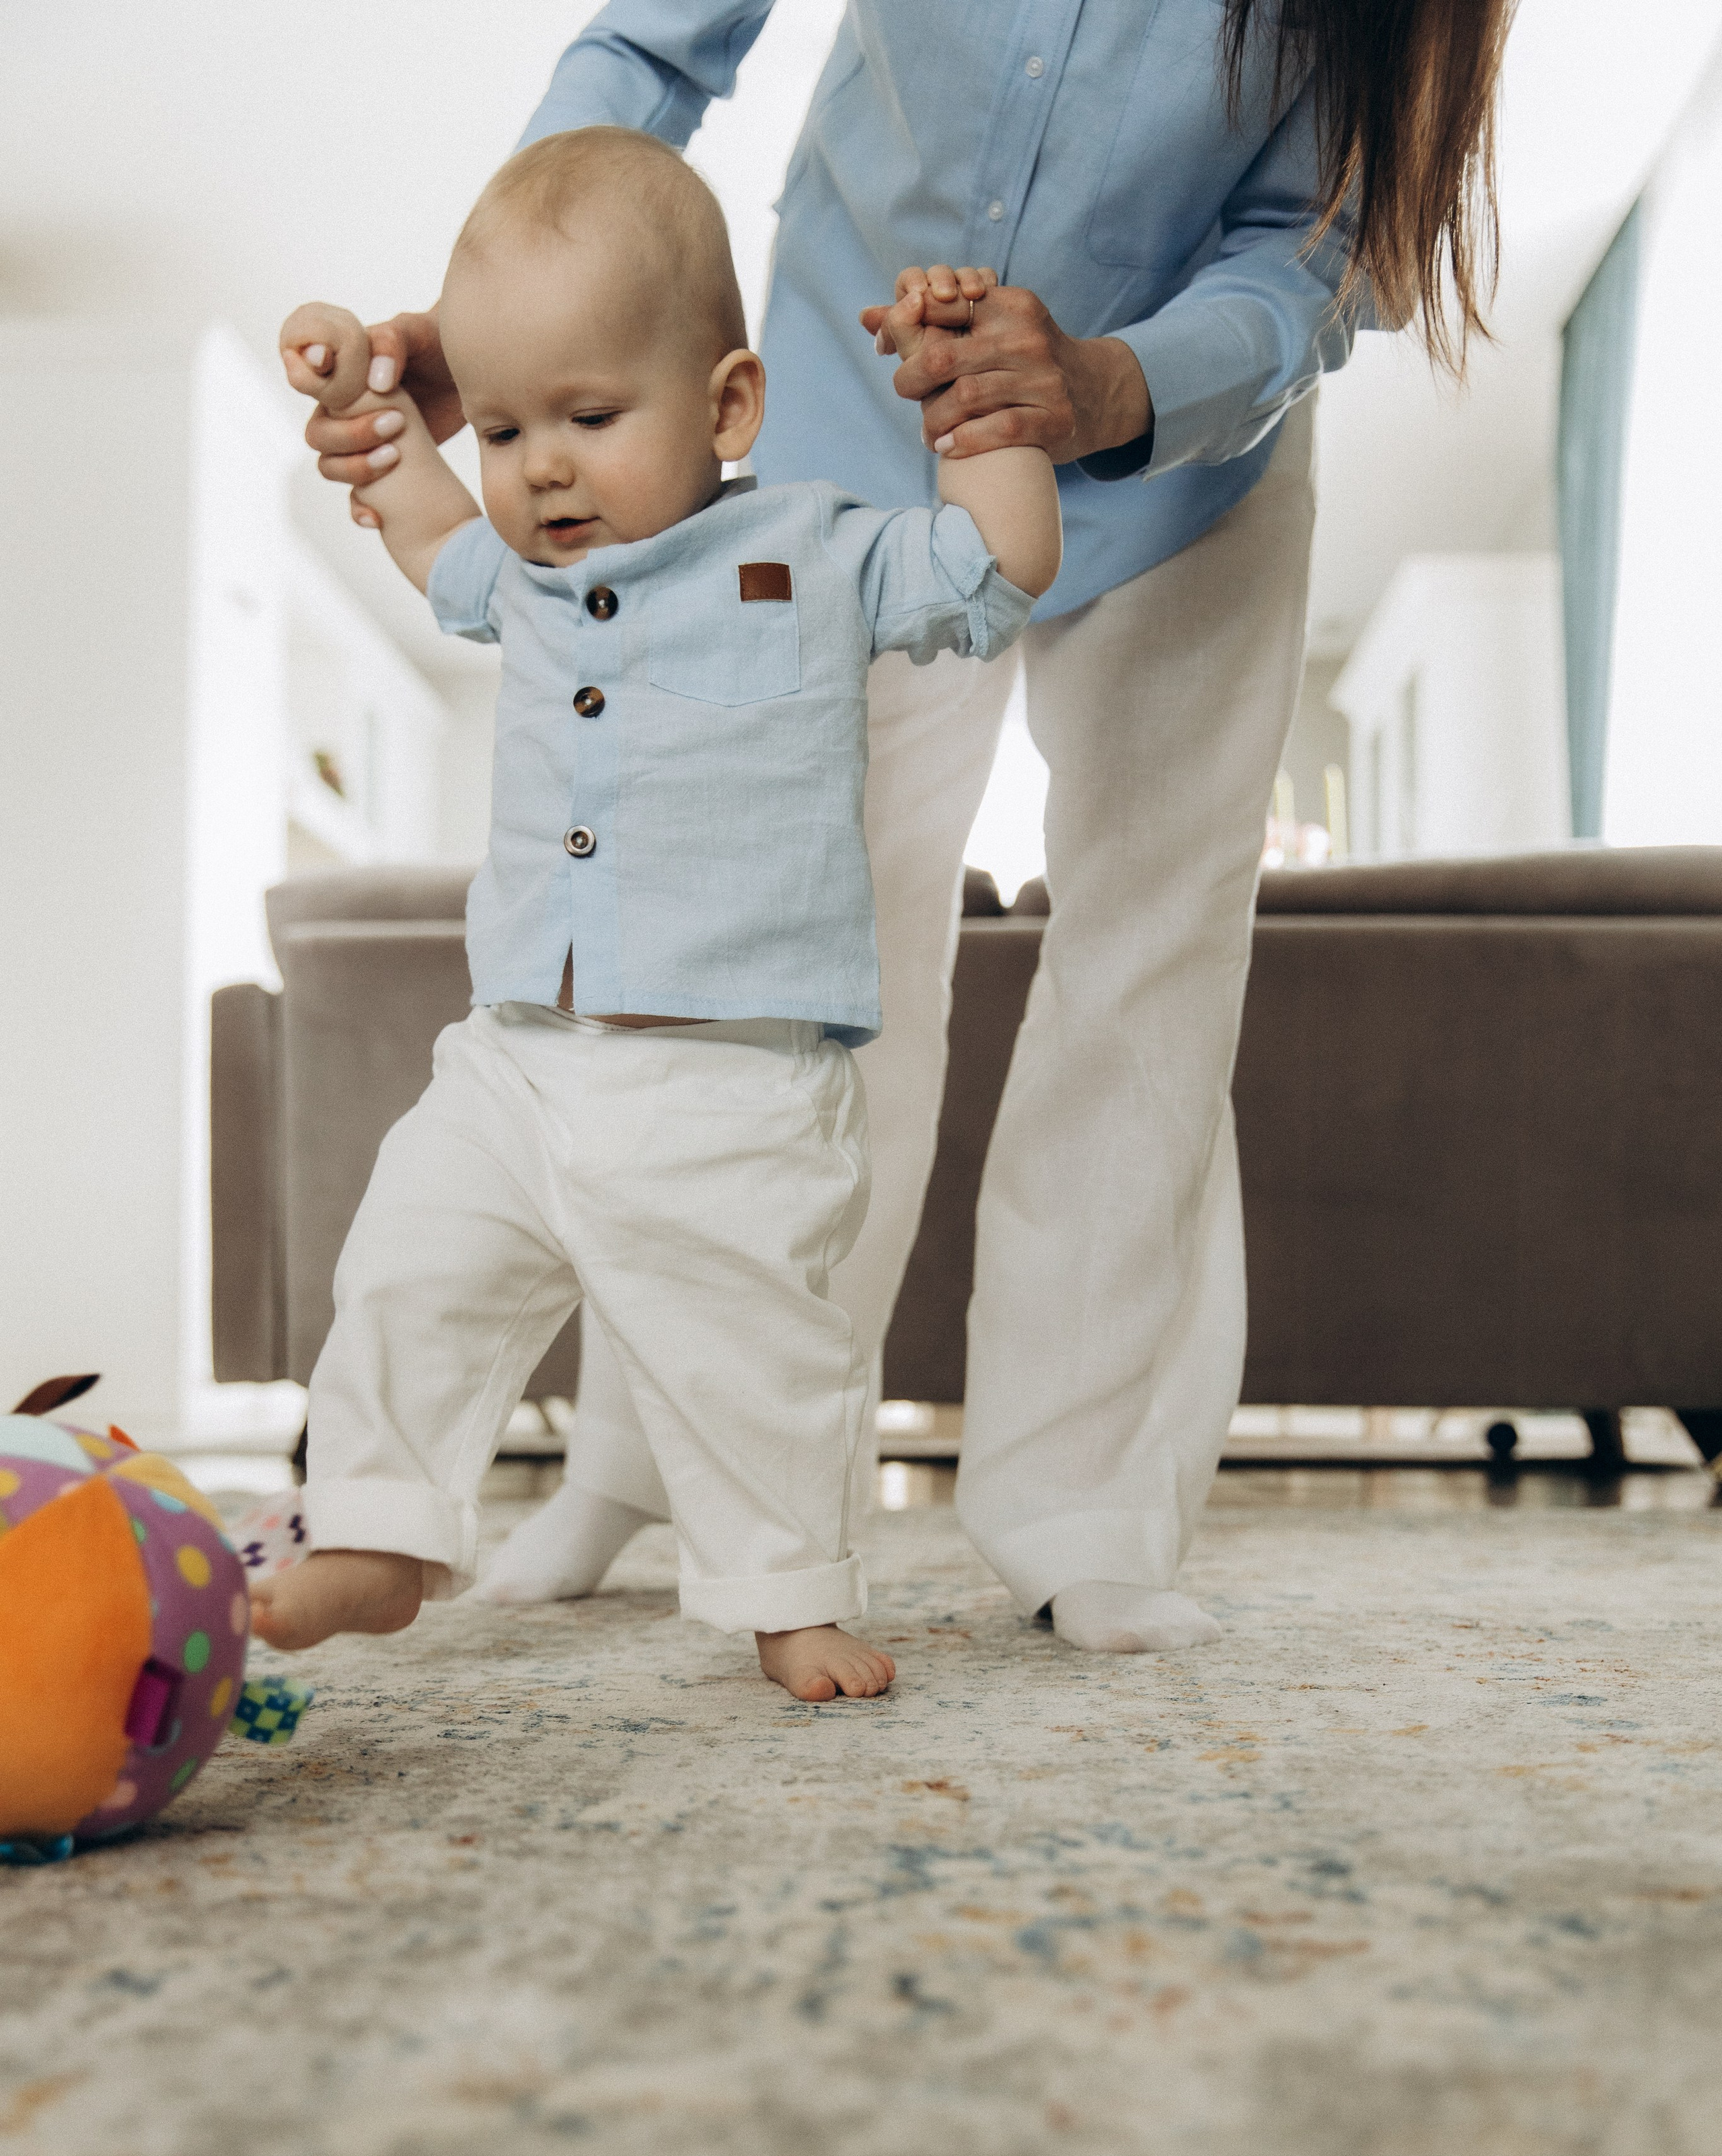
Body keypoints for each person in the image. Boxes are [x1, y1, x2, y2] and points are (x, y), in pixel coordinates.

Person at [303, 0, 1510, 1656]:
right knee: (755, 945)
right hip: (839, 407)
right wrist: (513, 332)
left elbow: (1319, 244)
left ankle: (1083, 1509)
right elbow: (653, 47)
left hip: (1183, 451)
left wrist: (1112, 383)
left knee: (1144, 969)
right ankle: (646, 1469)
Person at [258, 128, 1061, 1701]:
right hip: (515, 1055)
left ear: (727, 406)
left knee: (749, 1348)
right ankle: (374, 1526)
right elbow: (424, 530)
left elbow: (999, 562)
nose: (539, 465)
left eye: (587, 417)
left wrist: (973, 398)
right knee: (407, 1267)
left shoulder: (814, 549)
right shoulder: (521, 579)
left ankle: (789, 1596)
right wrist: (364, 395)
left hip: (729, 1077)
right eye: (504, 429)